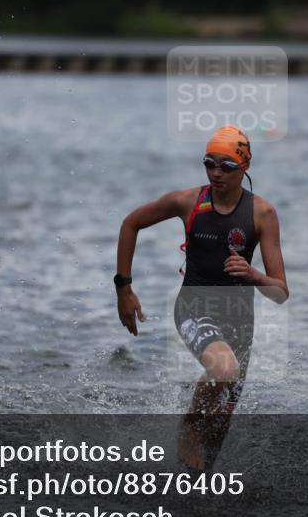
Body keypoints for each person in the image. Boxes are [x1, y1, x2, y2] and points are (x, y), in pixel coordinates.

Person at [114, 125, 289, 471]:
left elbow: (281, 293)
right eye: (210, 164)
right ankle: (188, 428)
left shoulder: (262, 214)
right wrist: (124, 288)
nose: (216, 173)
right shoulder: (189, 202)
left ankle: (197, 498)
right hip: (194, 307)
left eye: (227, 167)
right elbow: (131, 223)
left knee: (221, 421)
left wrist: (254, 276)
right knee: (223, 369)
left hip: (240, 320)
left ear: (245, 167)